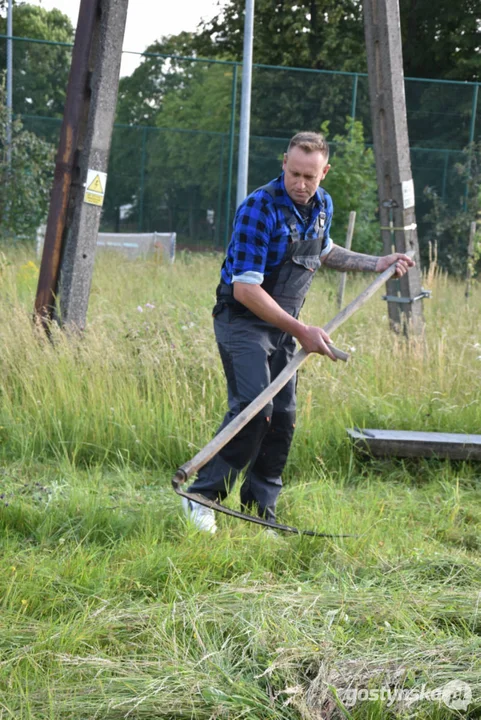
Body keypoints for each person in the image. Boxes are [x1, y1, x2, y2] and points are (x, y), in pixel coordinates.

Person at [182, 131, 414, 533]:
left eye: (310, 176)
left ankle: (259, 511)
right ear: (283, 164)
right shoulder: (260, 207)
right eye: (294, 174)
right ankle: (202, 497)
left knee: (283, 417)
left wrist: (377, 262)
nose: (301, 184)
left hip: (284, 327)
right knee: (256, 409)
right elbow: (246, 288)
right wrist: (302, 330)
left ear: (325, 172)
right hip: (243, 321)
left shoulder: (321, 205)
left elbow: (324, 252)